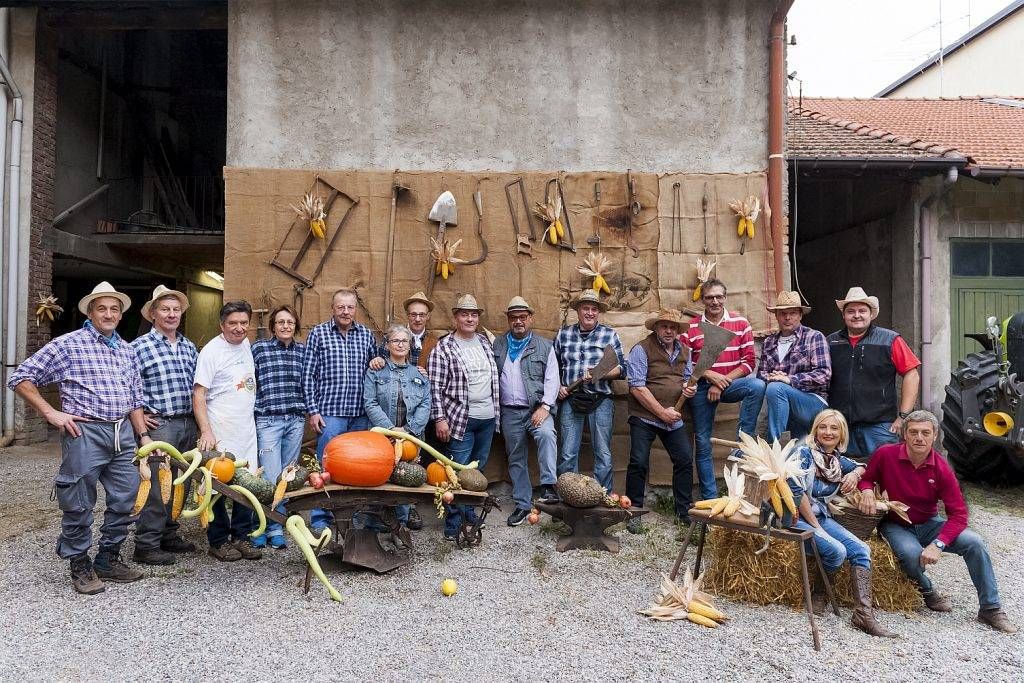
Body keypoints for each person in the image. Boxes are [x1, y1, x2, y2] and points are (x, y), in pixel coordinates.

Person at [8, 281, 148, 594]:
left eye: (114, 309)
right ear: (90, 312)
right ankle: (79, 563)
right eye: (102, 308)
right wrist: (50, 412)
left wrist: (143, 435)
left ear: (120, 314)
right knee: (78, 501)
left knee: (127, 496)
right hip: (85, 431)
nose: (109, 314)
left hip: (122, 432)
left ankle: (108, 558)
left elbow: (135, 398)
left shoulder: (127, 350)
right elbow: (21, 377)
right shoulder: (69, 344)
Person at [858, 410, 1017, 634]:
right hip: (895, 524)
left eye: (925, 433)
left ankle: (991, 609)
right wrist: (865, 491)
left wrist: (939, 543)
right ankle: (928, 591)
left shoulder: (942, 468)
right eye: (913, 432)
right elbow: (866, 479)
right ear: (904, 434)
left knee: (975, 543)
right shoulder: (885, 454)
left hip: (929, 522)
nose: (919, 438)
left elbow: (959, 515)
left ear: (934, 436)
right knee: (912, 556)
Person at [787, 409, 896, 637]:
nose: (828, 432)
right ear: (815, 430)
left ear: (841, 434)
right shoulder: (803, 453)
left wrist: (855, 474)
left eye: (834, 428)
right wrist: (817, 527)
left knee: (862, 550)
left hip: (820, 518)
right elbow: (797, 492)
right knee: (836, 551)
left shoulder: (835, 460)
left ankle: (863, 615)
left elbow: (863, 467)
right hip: (795, 517)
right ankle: (819, 594)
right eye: (823, 427)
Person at [131, 285, 200, 565]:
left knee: (180, 483)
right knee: (158, 486)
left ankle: (169, 535)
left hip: (187, 423)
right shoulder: (138, 348)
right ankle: (146, 544)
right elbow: (129, 389)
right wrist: (139, 424)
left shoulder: (188, 346)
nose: (171, 314)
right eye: (165, 309)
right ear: (152, 314)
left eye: (176, 310)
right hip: (161, 426)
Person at [681, 278, 766, 500]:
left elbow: (748, 362)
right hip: (701, 386)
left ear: (725, 298)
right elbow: (684, 363)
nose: (715, 301)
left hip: (730, 384)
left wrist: (722, 382)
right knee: (702, 440)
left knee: (756, 386)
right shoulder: (691, 328)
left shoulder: (741, 324)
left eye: (719, 296)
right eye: (709, 297)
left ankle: (743, 441)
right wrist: (709, 376)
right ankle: (710, 499)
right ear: (703, 300)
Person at [302, 288, 377, 532]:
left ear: (356, 309)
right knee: (326, 467)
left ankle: (351, 516)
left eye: (350, 307)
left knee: (357, 468)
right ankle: (321, 518)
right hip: (330, 412)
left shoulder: (366, 335)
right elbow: (308, 375)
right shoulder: (318, 334)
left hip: (359, 414)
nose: (345, 312)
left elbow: (376, 368)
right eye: (340, 307)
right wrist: (313, 411)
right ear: (332, 309)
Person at [427, 294, 499, 539]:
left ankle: (469, 513)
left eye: (474, 314)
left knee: (477, 472)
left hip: (487, 417)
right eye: (465, 314)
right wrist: (439, 418)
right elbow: (434, 386)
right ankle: (452, 523)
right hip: (460, 419)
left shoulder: (485, 342)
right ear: (456, 317)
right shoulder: (444, 347)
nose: (470, 318)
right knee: (456, 473)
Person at [194, 300, 261, 562]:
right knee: (218, 485)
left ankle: (241, 537)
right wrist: (206, 431)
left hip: (245, 429)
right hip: (220, 429)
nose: (239, 328)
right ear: (222, 325)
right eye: (232, 323)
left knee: (246, 482)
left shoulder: (245, 345)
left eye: (244, 323)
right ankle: (218, 540)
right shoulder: (212, 351)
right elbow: (199, 394)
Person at [369, 290, 438, 529]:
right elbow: (370, 402)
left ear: (410, 346)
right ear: (386, 345)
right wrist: (391, 429)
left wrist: (408, 430)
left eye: (404, 341)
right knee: (382, 472)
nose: (400, 345)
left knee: (409, 472)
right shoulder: (375, 371)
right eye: (395, 341)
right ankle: (381, 514)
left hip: (411, 434)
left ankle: (406, 513)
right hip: (383, 433)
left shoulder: (418, 374)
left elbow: (425, 404)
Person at [624, 309, 696, 533]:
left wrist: (689, 389)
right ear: (656, 328)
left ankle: (683, 512)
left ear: (677, 331)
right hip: (645, 415)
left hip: (673, 417)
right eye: (664, 326)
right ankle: (633, 511)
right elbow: (636, 387)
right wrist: (661, 413)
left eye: (673, 327)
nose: (668, 331)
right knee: (638, 461)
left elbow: (687, 379)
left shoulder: (685, 350)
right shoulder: (641, 349)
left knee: (684, 459)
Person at [828, 287, 921, 458]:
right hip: (840, 426)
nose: (857, 315)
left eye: (862, 310)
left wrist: (903, 416)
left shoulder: (890, 339)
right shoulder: (831, 342)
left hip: (880, 427)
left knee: (885, 477)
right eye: (851, 311)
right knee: (844, 478)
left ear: (871, 314)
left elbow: (911, 374)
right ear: (843, 315)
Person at [493, 297, 560, 526]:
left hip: (536, 409)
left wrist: (545, 407)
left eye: (523, 317)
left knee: (547, 435)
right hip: (509, 411)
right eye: (514, 317)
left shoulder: (544, 346)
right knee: (516, 457)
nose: (519, 321)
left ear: (531, 318)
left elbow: (552, 380)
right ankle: (522, 504)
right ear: (508, 320)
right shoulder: (498, 345)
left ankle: (550, 487)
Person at [553, 290, 625, 492]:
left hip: (601, 398)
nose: (590, 313)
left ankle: (602, 497)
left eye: (594, 309)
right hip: (571, 398)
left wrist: (598, 374)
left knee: (602, 452)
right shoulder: (563, 334)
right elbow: (553, 368)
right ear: (578, 310)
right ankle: (569, 496)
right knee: (568, 453)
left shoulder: (609, 335)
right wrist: (559, 386)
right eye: (586, 308)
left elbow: (621, 369)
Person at [250, 304, 306, 550]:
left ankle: (277, 526)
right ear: (273, 326)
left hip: (295, 420)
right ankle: (264, 526)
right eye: (281, 322)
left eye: (290, 322)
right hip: (268, 421)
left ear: (296, 326)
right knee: (268, 477)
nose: (285, 326)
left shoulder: (303, 352)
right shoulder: (259, 349)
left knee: (286, 477)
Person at [757, 291, 830, 442]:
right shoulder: (769, 342)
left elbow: (824, 374)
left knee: (776, 387)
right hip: (784, 405)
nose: (787, 317)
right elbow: (761, 373)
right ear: (776, 315)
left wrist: (789, 379)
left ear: (800, 315)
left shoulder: (814, 337)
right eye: (783, 313)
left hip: (813, 403)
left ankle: (774, 445)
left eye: (793, 313)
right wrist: (772, 377)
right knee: (799, 454)